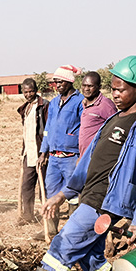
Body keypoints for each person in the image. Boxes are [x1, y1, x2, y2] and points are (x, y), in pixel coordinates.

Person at [0, 56, 136, 271]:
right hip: (89, 194)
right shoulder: (114, 119)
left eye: (121, 89)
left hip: (104, 203)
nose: (116, 94)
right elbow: (88, 162)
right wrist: (64, 194)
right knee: (92, 259)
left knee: (60, 248)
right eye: (114, 88)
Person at [37, 65, 84, 237]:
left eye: (60, 81)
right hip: (53, 159)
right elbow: (48, 129)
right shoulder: (54, 103)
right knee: (51, 195)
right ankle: (50, 231)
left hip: (71, 158)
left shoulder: (80, 101)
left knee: (73, 194)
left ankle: (73, 234)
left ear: (70, 81)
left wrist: (83, 155)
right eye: (55, 82)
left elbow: (84, 130)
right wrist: (43, 152)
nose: (57, 84)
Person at [16, 78, 49, 224]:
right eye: (25, 92)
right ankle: (28, 215)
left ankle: (47, 216)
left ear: (36, 91)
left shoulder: (44, 106)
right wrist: (23, 153)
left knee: (44, 188)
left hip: (41, 153)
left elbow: (48, 130)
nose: (28, 94)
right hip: (29, 154)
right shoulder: (26, 108)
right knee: (27, 186)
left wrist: (45, 153)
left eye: (31, 91)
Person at [79, 71, 117, 157]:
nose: (86, 89)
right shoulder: (84, 104)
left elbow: (115, 129)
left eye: (90, 86)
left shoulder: (106, 105)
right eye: (84, 85)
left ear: (99, 87)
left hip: (97, 157)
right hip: (83, 157)